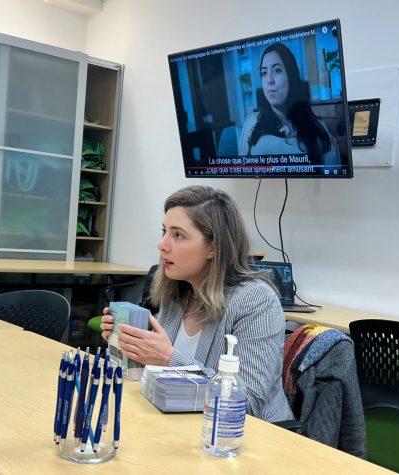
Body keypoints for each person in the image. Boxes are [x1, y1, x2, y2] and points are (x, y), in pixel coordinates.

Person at [100, 185, 294, 423]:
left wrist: (169, 358)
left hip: (241, 439)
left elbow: (248, 403)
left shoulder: (257, 301)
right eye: (164, 232)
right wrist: (129, 347)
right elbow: (159, 375)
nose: (162, 245)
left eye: (178, 235)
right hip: (183, 426)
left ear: (213, 247)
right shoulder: (177, 292)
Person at [238, 42, 339, 165]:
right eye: (264, 73)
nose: (269, 80)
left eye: (277, 70)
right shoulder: (252, 121)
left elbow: (332, 176)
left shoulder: (317, 127)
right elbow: (241, 171)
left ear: (291, 76)